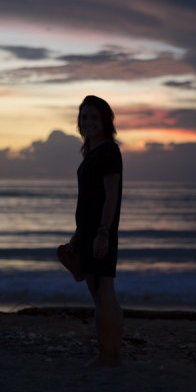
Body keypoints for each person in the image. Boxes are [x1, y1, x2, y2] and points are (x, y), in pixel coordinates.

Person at [67, 95, 124, 367]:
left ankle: (107, 356)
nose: (88, 122)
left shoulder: (109, 151)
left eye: (93, 117)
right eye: (84, 117)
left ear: (105, 121)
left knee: (103, 294)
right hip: (89, 231)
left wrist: (103, 232)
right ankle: (112, 355)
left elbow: (111, 196)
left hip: (100, 232)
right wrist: (79, 233)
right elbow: (89, 197)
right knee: (103, 294)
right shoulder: (91, 150)